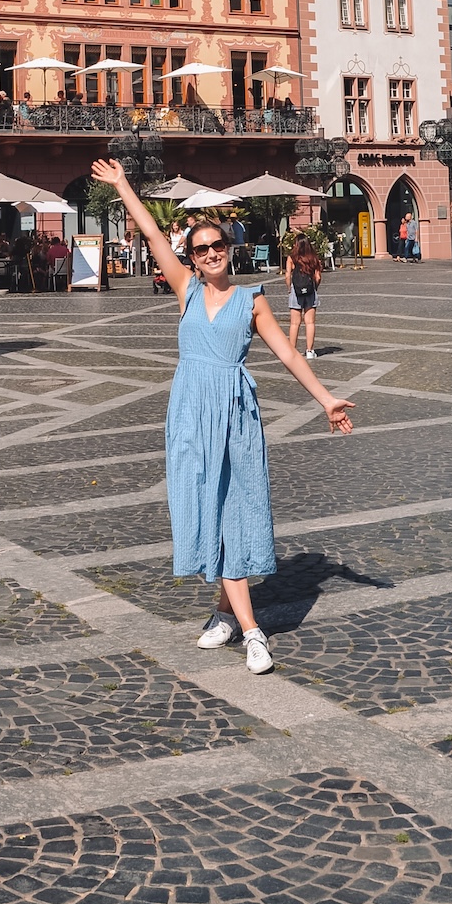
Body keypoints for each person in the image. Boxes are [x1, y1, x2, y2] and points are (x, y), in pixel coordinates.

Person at [90, 157, 353, 675]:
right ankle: (226, 614)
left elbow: (290, 355)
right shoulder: (185, 290)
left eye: (218, 246)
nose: (210, 254)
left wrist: (326, 400)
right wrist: (123, 186)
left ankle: (251, 631)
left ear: (230, 250)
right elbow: (149, 232)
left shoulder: (251, 300)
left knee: (235, 510)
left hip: (234, 417)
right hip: (190, 414)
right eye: (200, 249)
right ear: (191, 256)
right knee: (205, 507)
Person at [284, 237, 321, 361]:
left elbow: (287, 276)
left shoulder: (291, 258)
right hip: (310, 291)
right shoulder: (313, 258)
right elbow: (318, 277)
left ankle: (292, 350)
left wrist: (290, 289)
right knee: (309, 322)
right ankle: (310, 350)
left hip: (296, 291)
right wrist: (315, 287)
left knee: (295, 323)